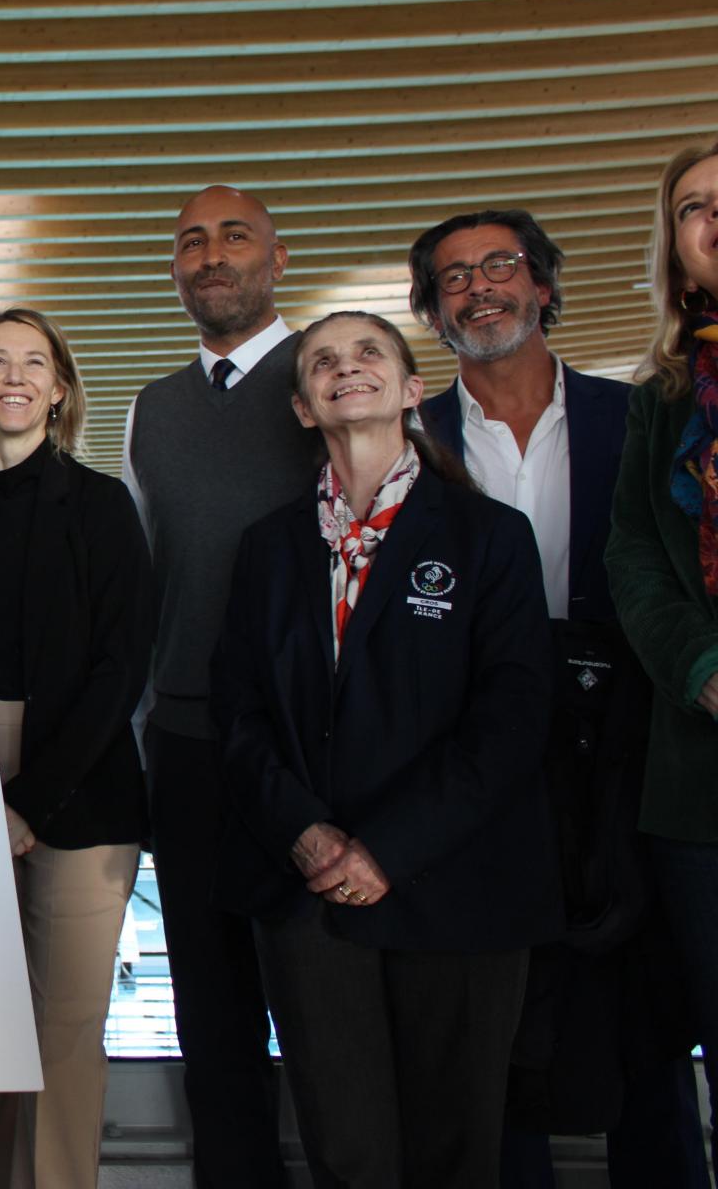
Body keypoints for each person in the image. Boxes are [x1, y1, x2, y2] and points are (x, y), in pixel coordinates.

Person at [212, 310, 561, 1186]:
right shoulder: (268, 549)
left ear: (412, 390)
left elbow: (514, 717)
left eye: (370, 352)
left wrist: (388, 849)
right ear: (302, 408)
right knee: (348, 1155)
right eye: (323, 360)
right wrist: (308, 835)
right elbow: (239, 709)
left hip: (457, 890)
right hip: (312, 894)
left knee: (456, 1155)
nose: (346, 367)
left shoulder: (490, 539)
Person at [409, 210, 708, 1185]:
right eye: (454, 276)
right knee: (500, 1012)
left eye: (501, 264)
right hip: (482, 752)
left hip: (628, 736)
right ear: (432, 308)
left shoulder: (637, 412)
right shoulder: (411, 442)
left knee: (645, 1002)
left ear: (543, 284)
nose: (480, 286)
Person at [122, 185, 311, 1184]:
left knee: (327, 1003)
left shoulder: (326, 374)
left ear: (276, 256)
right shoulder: (152, 408)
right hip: (190, 743)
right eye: (192, 240)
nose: (212, 254)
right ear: (174, 271)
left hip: (311, 741)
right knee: (212, 1005)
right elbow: (150, 573)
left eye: (234, 234)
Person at [0, 308, 153, 1189]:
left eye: (35, 362)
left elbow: (122, 666)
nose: (15, 376)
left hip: (83, 775)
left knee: (66, 1029)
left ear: (61, 388)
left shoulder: (103, 505)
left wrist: (29, 801)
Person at [606, 134, 718, 1171]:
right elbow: (635, 558)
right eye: (693, 206)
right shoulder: (659, 401)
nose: (714, 218)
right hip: (699, 772)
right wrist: (702, 668)